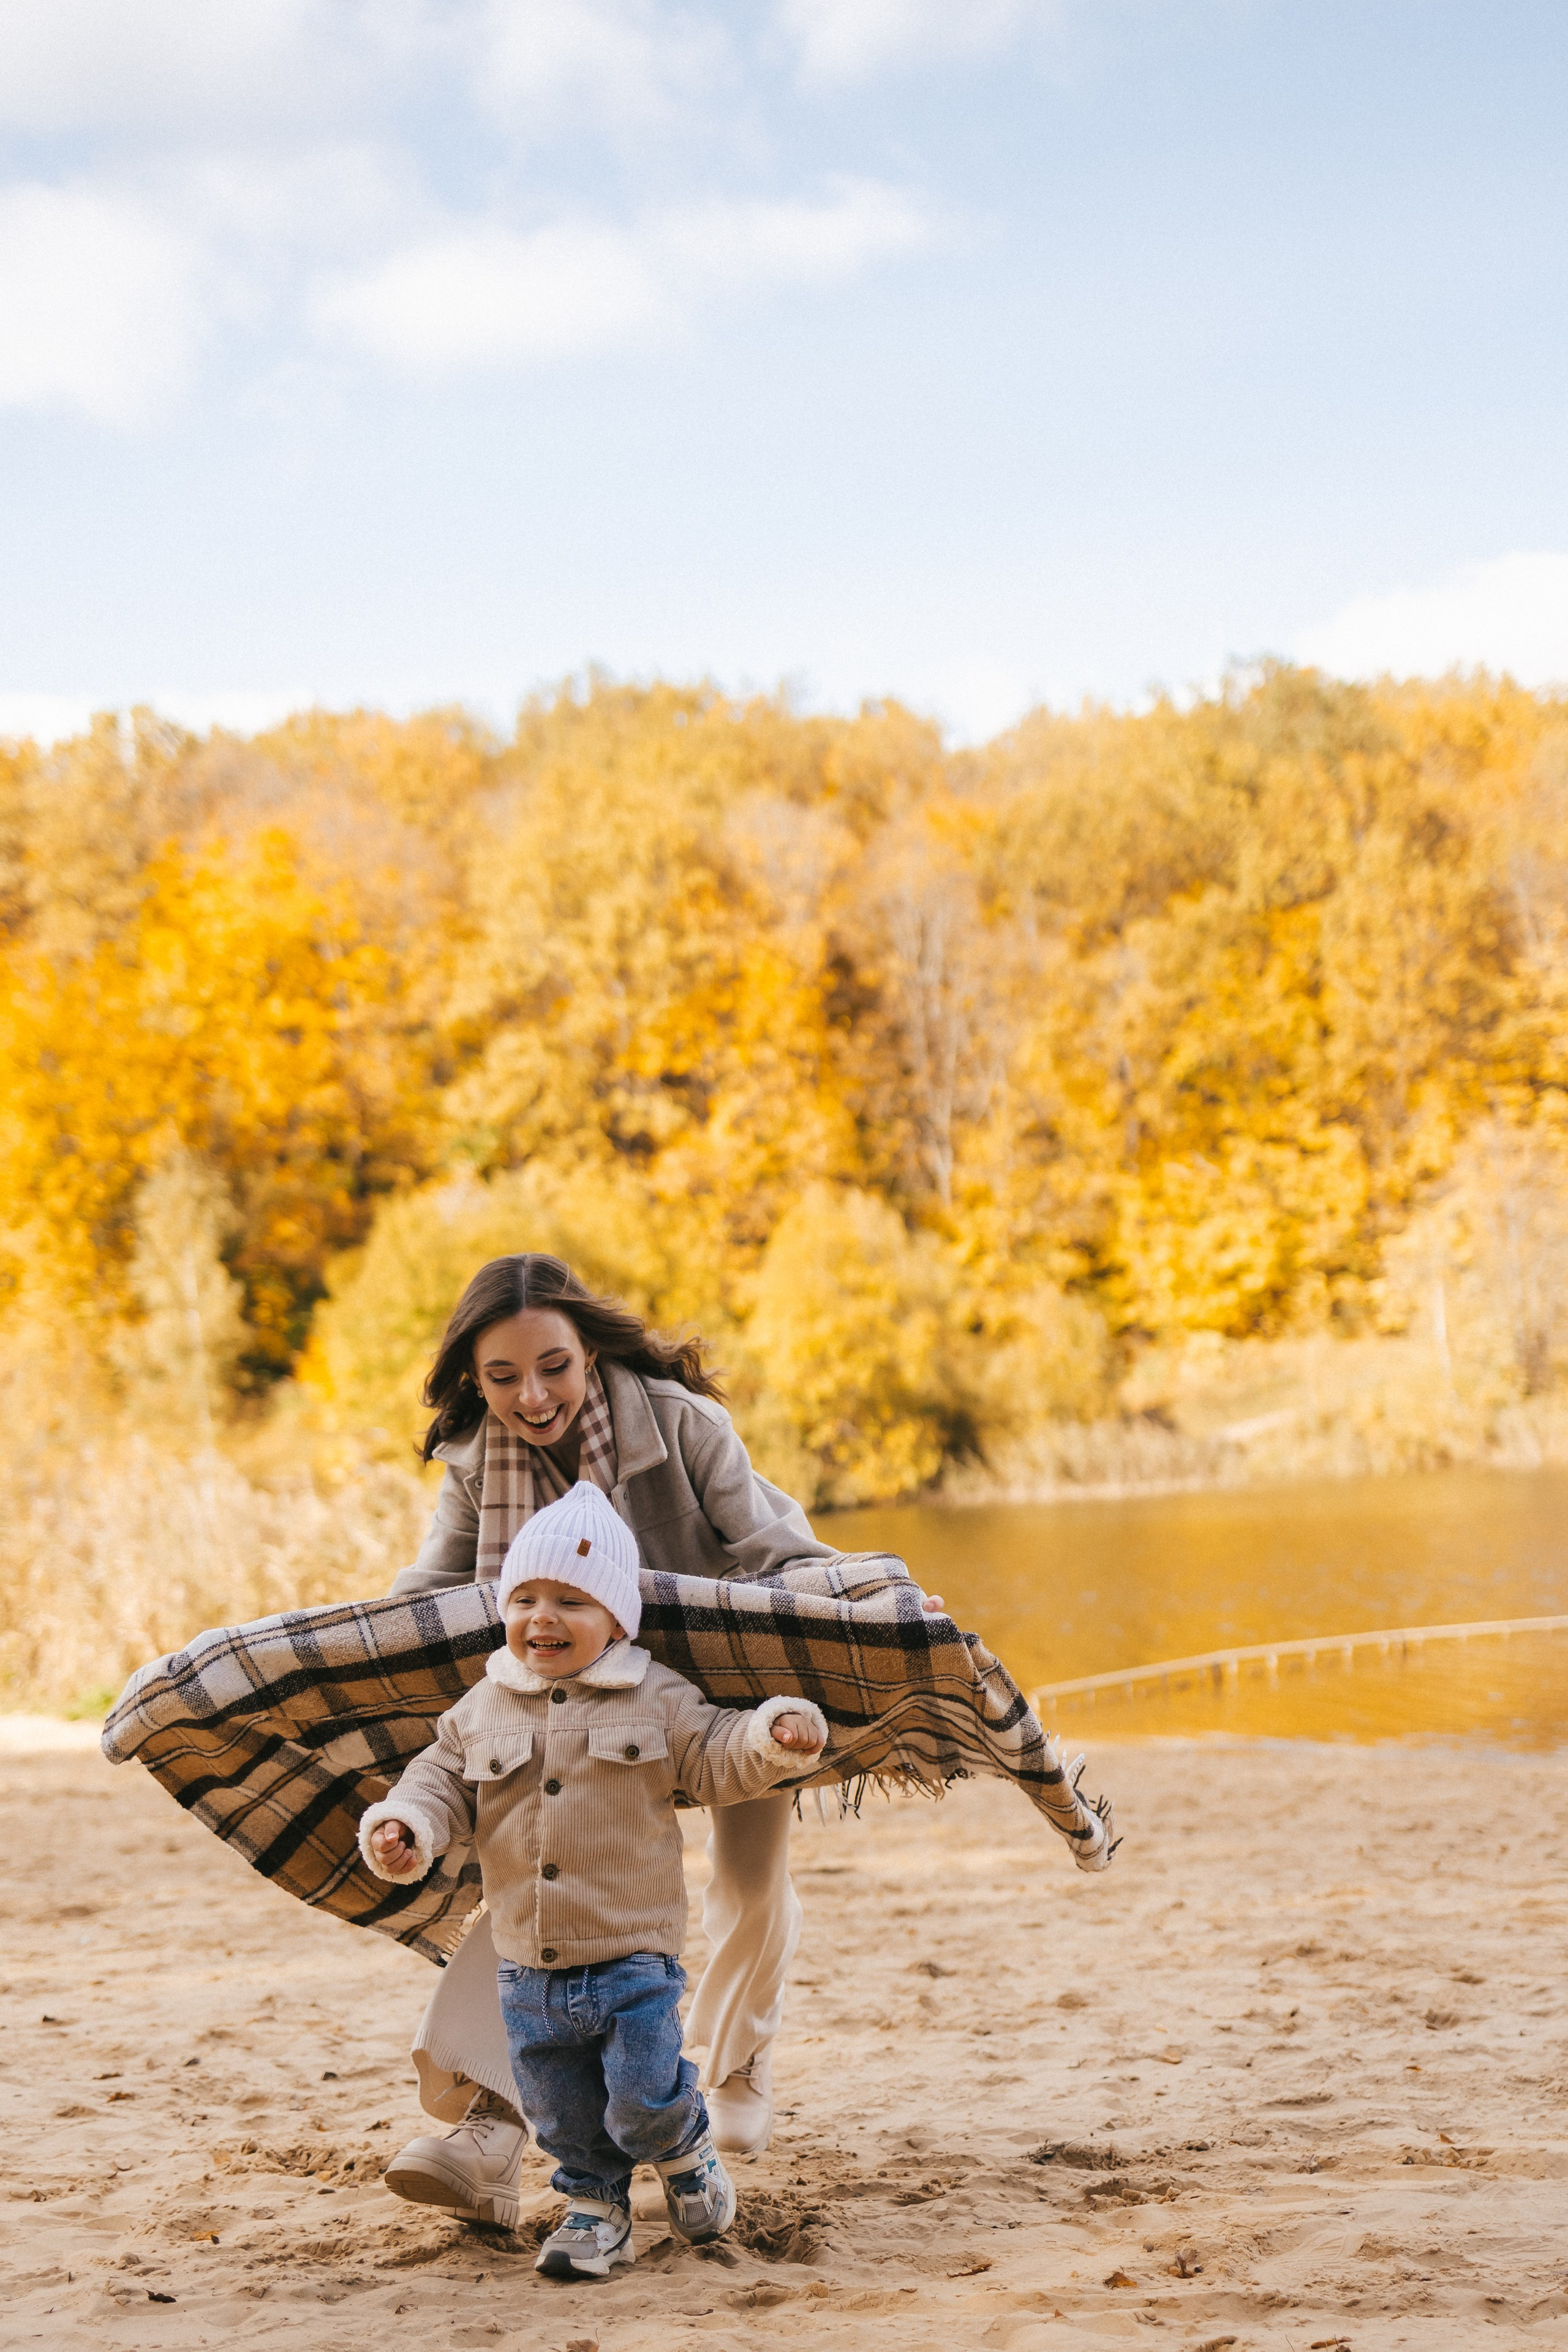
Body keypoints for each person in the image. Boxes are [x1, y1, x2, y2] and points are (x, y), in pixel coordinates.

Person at [378, 1250, 955, 2231]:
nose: (532, 1396)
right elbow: (431, 1595)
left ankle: (731, 2057)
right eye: (504, 1376)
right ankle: (487, 2129)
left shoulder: (683, 1423)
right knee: (538, 1875)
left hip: (718, 1700)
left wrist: (879, 1604)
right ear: (474, 1380)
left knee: (748, 1875)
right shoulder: (477, 1461)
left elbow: (782, 1550)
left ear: (590, 1352)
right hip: (564, 1701)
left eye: (553, 1366)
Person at [359, 1479, 827, 2278]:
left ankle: (683, 2155)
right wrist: (405, 1828)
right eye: (527, 1598)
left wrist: (774, 1734)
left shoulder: (654, 1697)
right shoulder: (483, 1708)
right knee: (561, 2110)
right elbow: (438, 1778)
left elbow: (717, 1753)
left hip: (632, 1954)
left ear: (615, 1619)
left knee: (641, 2096)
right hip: (526, 1963)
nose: (543, 1618)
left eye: (571, 1601)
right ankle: (594, 2209)